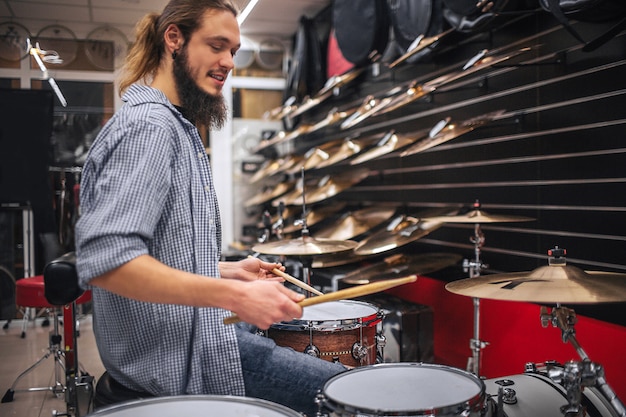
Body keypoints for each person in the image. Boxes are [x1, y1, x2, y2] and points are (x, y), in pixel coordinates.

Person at [74, 1, 346, 415]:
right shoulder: (149, 128)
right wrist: (234, 295)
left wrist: (224, 270)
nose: (228, 62)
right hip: (178, 362)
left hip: (195, 342)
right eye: (217, 46)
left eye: (233, 51)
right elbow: (108, 261)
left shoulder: (177, 127)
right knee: (347, 394)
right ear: (174, 39)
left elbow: (158, 252)